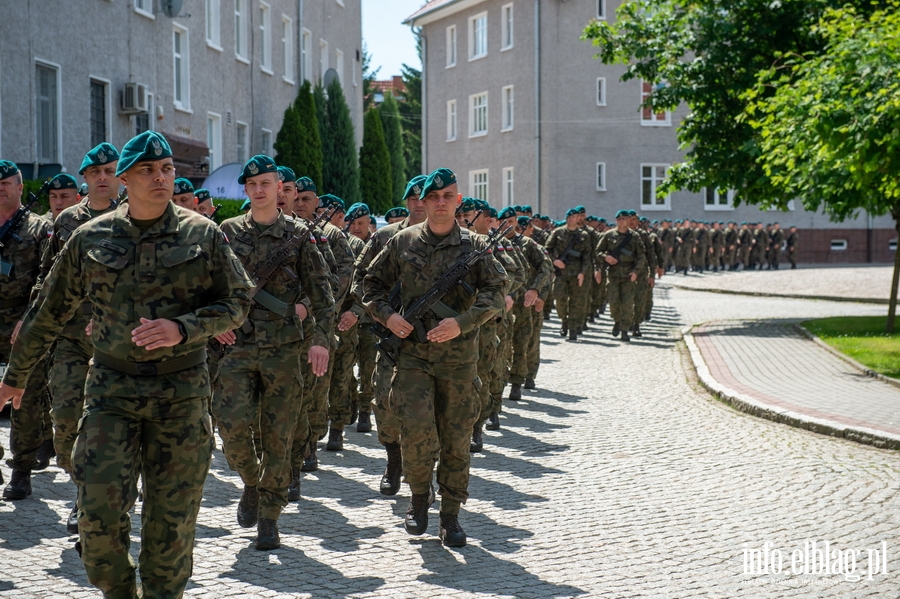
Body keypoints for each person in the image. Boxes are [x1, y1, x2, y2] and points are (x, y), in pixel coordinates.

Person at [0, 131, 255, 598]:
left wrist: (185, 327)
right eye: (147, 171)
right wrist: (15, 377)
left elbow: (238, 301)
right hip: (111, 391)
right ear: (124, 179)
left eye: (167, 170)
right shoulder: (89, 237)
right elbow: (47, 311)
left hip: (181, 394)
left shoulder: (203, 234)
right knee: (95, 524)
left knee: (170, 530)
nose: (160, 178)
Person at [363, 168, 507, 547]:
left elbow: (495, 292)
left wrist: (462, 322)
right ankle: (418, 501)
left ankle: (451, 515)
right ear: (423, 202)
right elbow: (370, 286)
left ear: (458, 201)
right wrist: (389, 316)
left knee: (456, 439)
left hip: (458, 360)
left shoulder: (475, 247)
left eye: (448, 196)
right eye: (434, 197)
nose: (441, 202)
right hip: (411, 358)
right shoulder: (402, 242)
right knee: (416, 433)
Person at [213, 156, 334, 550]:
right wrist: (218, 322)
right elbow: (205, 286)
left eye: (269, 183)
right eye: (254, 184)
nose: (261, 190)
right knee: (230, 428)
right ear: (246, 190)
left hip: (285, 350)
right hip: (237, 349)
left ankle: (269, 517)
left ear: (280, 188)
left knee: (279, 439)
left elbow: (322, 292)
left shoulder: (299, 236)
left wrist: (320, 338)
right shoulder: (225, 233)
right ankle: (251, 480)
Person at [24, 143, 121, 532]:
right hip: (69, 338)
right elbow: (46, 279)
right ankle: (83, 491)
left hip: (119, 345)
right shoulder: (66, 222)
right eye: (94, 172)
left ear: (120, 175)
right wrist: (30, 324)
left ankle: (106, 498)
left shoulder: (137, 219)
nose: (101, 178)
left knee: (113, 427)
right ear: (85, 179)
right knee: (65, 420)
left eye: (109, 171)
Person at [350, 175, 426, 494]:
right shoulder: (384, 237)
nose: (420, 204)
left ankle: (422, 472)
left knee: (427, 409)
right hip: (392, 339)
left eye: (426, 198)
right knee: (384, 402)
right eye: (414, 198)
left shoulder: (453, 239)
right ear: (407, 201)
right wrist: (384, 314)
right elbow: (360, 281)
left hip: (430, 342)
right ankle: (393, 461)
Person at [0, 161, 52, 499]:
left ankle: (22, 469)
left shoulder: (39, 229)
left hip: (22, 324)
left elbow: (47, 278)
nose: (0, 188)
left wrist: (29, 319)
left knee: (25, 398)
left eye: (6, 183)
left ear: (21, 187)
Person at [595, 210, 647, 342]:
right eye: (619, 219)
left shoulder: (634, 237)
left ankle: (625, 329)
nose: (622, 221)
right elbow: (598, 252)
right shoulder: (608, 235)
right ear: (616, 220)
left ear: (628, 221)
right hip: (613, 274)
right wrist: (605, 257)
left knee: (628, 303)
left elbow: (641, 256)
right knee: (614, 302)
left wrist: (636, 271)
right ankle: (617, 320)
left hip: (629, 274)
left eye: (624, 219)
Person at [546, 208, 592, 340]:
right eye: (569, 217)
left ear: (578, 218)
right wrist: (555, 261)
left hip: (576, 273)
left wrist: (583, 273)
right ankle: (564, 320)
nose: (572, 219)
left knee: (576, 302)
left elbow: (587, 257)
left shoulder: (584, 235)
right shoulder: (558, 232)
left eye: (575, 217)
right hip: (561, 273)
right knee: (559, 298)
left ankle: (572, 328)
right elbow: (546, 250)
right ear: (566, 218)